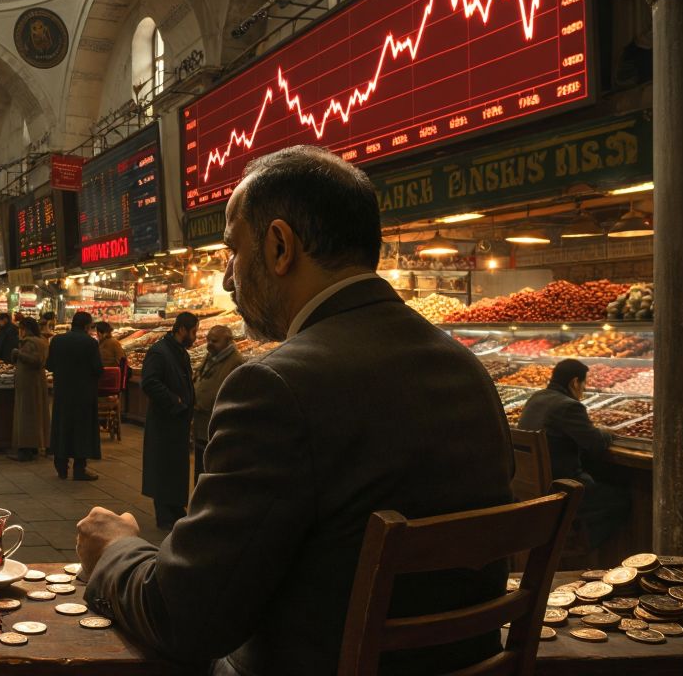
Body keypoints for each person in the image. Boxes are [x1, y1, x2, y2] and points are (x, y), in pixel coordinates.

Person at [75, 145, 513, 675]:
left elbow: (185, 617)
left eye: (233, 251)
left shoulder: (273, 387)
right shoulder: (468, 370)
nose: (228, 279)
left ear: (280, 246)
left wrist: (116, 549)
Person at [517, 358, 631, 548]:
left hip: (531, 489)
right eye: (583, 387)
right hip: (561, 489)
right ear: (575, 382)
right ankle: (585, 550)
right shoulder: (569, 406)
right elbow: (595, 444)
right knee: (620, 500)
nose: (583, 393)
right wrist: (604, 432)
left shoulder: (535, 398)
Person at [139, 311, 199, 529]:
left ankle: (175, 507)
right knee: (164, 466)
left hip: (178, 421)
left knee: (176, 467)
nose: (195, 336)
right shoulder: (159, 352)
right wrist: (177, 401)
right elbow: (149, 383)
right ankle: (165, 513)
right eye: (194, 331)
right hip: (165, 421)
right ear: (182, 329)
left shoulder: (179, 352)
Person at [46, 311, 105, 481]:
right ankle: (79, 469)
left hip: (63, 392)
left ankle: (61, 467)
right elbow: (98, 369)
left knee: (62, 426)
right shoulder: (90, 343)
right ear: (87, 326)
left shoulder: (57, 340)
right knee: (82, 430)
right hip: (84, 394)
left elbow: (49, 365)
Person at [191, 325, 243, 479]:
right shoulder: (211, 356)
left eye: (214, 341)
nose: (209, 344)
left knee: (212, 468)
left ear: (228, 341)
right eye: (208, 340)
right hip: (201, 423)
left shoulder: (235, 362)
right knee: (200, 467)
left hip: (216, 425)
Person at [9, 317, 50, 462]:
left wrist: (17, 353)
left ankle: (25, 449)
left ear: (25, 329)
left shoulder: (31, 342)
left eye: (20, 328)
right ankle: (34, 446)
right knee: (36, 414)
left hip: (28, 384)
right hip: (36, 382)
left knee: (26, 415)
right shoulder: (42, 341)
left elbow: (36, 360)